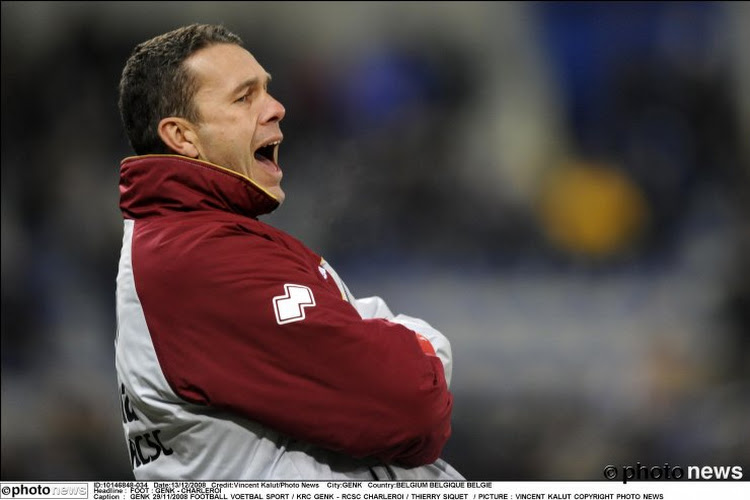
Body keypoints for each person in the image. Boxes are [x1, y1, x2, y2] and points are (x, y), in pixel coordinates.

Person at [115, 23, 463, 480]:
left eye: (267, 91)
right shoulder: (197, 257)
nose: (277, 108)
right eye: (244, 98)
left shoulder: (196, 239)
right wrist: (423, 350)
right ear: (182, 136)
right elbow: (410, 401)